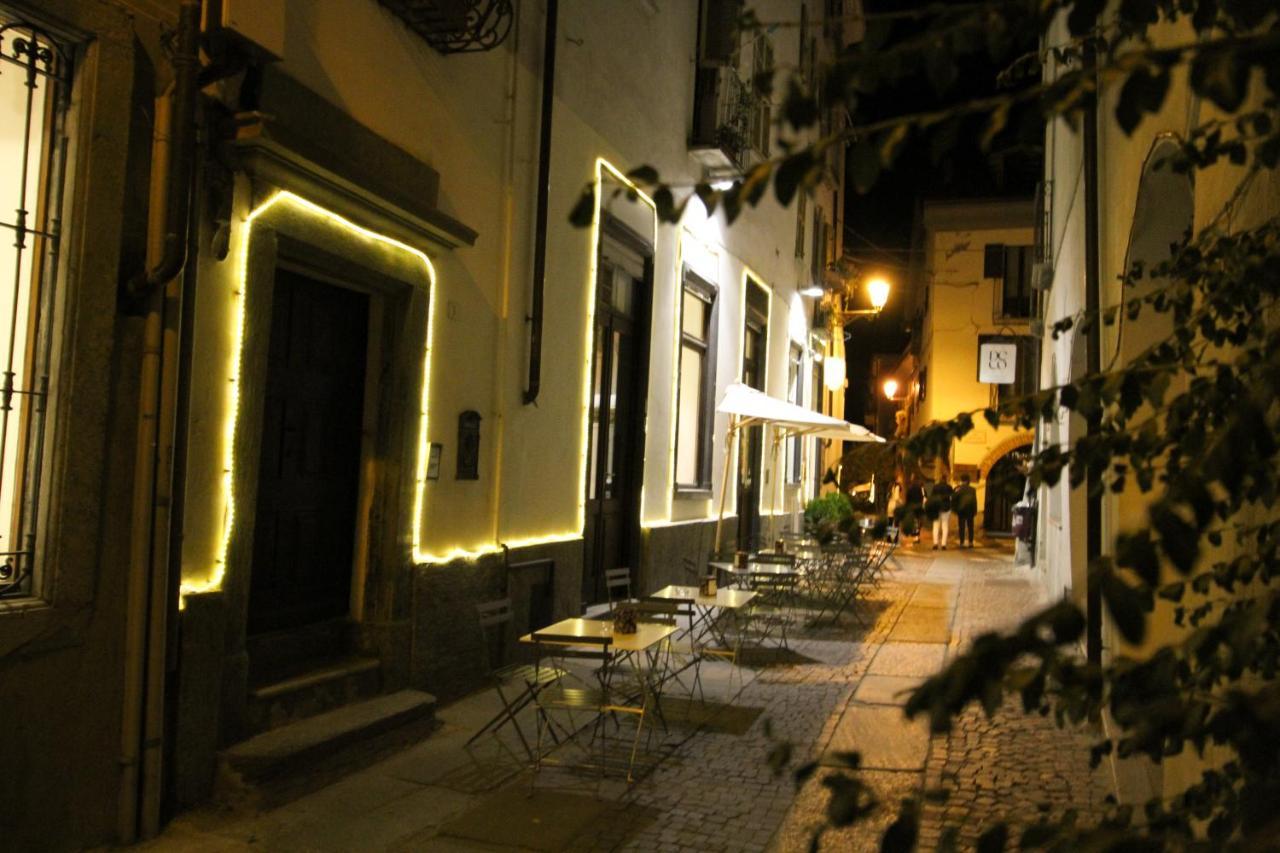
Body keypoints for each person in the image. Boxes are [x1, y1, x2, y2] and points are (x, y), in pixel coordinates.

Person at [928, 477, 954, 550]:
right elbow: (952, 497)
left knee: (936, 526)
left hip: (936, 508)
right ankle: (943, 544)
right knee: (945, 526)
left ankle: (935, 543)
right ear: (946, 480)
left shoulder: (935, 487)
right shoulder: (949, 487)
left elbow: (932, 497)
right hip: (946, 508)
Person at [954, 473, 978, 548]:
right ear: (968, 481)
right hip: (970, 510)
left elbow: (954, 499)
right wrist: (975, 510)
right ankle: (970, 542)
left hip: (961, 510)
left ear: (961, 480)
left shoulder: (958, 489)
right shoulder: (972, 489)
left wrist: (955, 509)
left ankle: (962, 542)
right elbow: (974, 501)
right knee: (970, 527)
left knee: (961, 527)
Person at [905, 478, 925, 544]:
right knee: (918, 522)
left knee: (914, 522)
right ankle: (917, 537)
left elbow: (907, 499)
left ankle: (915, 537)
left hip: (911, 507)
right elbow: (922, 497)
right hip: (918, 507)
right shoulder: (919, 489)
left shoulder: (909, 489)